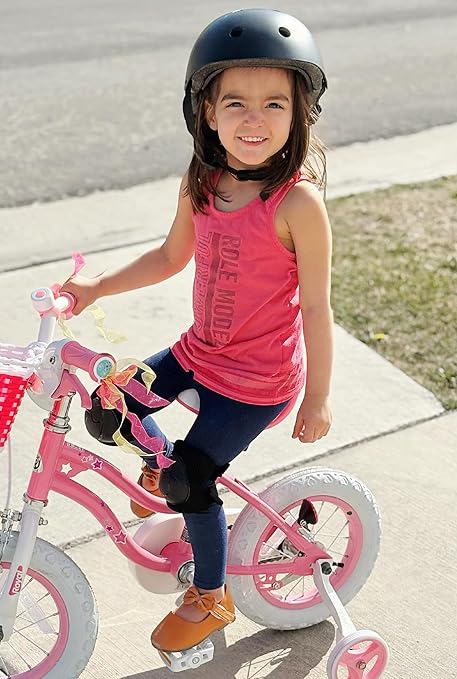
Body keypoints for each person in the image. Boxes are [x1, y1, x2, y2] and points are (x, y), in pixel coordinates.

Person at [60, 8, 334, 655]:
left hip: (255, 383)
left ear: (298, 115)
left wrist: (318, 397)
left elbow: (317, 308)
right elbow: (168, 257)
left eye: (273, 104)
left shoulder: (298, 204)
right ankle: (160, 469)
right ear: (206, 112)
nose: (253, 118)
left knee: (191, 481)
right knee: (110, 409)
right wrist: (96, 286)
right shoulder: (202, 181)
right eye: (235, 102)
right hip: (197, 353)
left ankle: (211, 595)